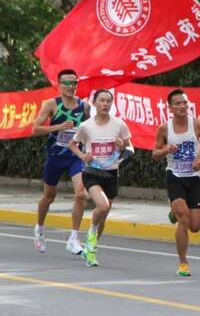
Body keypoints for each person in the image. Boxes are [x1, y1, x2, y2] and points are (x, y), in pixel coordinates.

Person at [69, 90, 134, 267]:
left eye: (108, 101)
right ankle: (91, 231)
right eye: (102, 101)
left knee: (103, 216)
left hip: (111, 173)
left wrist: (122, 148)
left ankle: (91, 250)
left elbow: (130, 149)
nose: (105, 104)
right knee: (102, 206)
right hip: (92, 173)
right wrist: (83, 156)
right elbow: (72, 144)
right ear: (95, 103)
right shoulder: (86, 126)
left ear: (111, 104)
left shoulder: (119, 124)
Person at [152, 89, 200, 276]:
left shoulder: (198, 125)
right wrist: (166, 150)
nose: (182, 106)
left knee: (195, 227)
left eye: (185, 103)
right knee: (184, 219)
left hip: (193, 178)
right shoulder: (164, 128)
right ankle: (183, 263)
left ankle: (175, 211)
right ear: (170, 107)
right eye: (178, 103)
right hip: (175, 177)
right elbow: (154, 154)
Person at [31, 69, 90, 255]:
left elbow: (89, 130)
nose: (71, 87)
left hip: (75, 157)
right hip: (56, 157)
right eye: (67, 83)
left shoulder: (84, 106)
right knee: (49, 197)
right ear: (59, 85)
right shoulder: (52, 105)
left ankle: (73, 238)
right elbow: (35, 129)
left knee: (81, 195)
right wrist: (59, 127)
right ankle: (39, 229)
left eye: (74, 83)